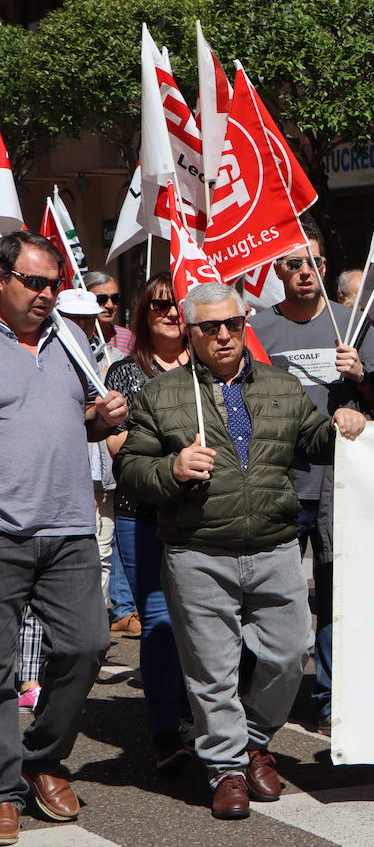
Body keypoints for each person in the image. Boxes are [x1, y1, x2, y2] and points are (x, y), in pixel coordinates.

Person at [114, 282, 368, 820]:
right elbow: (131, 471)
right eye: (211, 327)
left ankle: (254, 739)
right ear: (192, 331)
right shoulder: (160, 395)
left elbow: (318, 441)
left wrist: (347, 420)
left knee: (288, 652)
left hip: (274, 545)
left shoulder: (281, 384)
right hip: (199, 551)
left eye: (232, 323)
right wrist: (171, 470)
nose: (224, 335)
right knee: (212, 669)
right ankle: (226, 768)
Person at [251, 236, 374, 732]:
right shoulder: (258, 328)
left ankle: (330, 697)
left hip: (342, 482)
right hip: (276, 479)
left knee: (338, 594)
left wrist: (361, 374)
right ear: (278, 271)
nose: (304, 271)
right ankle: (257, 695)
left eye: (314, 262)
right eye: (293, 263)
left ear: (324, 267)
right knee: (267, 594)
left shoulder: (351, 324)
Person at [0, 231, 127, 840]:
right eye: (34, 282)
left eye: (53, 283)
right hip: (2, 533)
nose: (48, 294)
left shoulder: (69, 339)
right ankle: (4, 788)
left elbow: (75, 418)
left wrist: (99, 419)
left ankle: (42, 759)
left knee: (85, 645)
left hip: (71, 526)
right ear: (2, 281)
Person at [104, 272, 194, 771]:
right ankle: (166, 730)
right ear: (144, 313)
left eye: (177, 303)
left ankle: (200, 715)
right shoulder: (123, 373)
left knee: (207, 622)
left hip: (204, 515)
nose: (169, 312)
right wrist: (171, 464)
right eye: (158, 305)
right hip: (142, 516)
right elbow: (118, 447)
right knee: (159, 622)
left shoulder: (208, 366)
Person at [57, 288, 138, 640]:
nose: (83, 324)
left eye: (87, 317)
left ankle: (97, 622)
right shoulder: (48, 353)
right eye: (74, 318)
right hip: (69, 471)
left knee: (103, 546)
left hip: (103, 468)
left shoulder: (111, 355)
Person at [85, 271, 134, 356]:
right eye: (101, 299)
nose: (110, 305)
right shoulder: (75, 337)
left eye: (115, 298)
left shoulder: (129, 338)